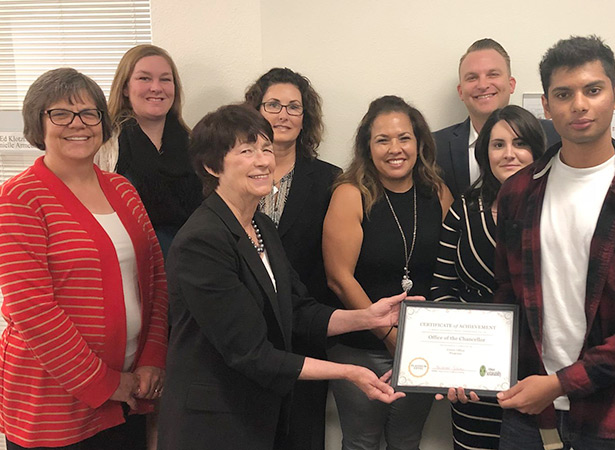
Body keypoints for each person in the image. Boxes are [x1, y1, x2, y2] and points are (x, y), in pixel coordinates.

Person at [157, 104, 411, 450]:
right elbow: (251, 353)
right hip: (213, 419)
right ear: (212, 166)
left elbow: (298, 310)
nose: (263, 161)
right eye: (246, 151)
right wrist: (348, 371)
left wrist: (366, 318)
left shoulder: (260, 225)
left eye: (265, 148)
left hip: (258, 410)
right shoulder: (203, 241)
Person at [493, 35, 615, 449]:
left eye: (592, 90)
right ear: (546, 106)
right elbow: (507, 298)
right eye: (563, 94)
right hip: (528, 413)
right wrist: (476, 369)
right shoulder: (517, 194)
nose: (578, 104)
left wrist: (561, 383)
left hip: (611, 416)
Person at [0, 68, 168, 449]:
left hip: (132, 391)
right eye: (60, 113)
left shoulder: (122, 189)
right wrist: (104, 382)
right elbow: (32, 309)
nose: (78, 124)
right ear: (37, 123)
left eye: (89, 113)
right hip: (54, 401)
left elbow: (156, 279)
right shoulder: (20, 198)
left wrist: (153, 357)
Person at [323, 95, 452, 450]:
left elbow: (450, 267)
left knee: (408, 440)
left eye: (404, 138)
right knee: (362, 441)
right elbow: (339, 277)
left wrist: (417, 341)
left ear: (418, 142)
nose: (395, 148)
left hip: (420, 346)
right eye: (383, 139)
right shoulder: (352, 194)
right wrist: (390, 335)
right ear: (368, 146)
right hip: (360, 348)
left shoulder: (437, 192)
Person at [430, 105, 546, 450]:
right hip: (473, 377)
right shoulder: (463, 209)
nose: (509, 154)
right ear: (485, 153)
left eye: (519, 143)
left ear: (537, 151)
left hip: (541, 376)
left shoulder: (558, 210)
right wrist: (454, 363)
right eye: (498, 145)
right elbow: (442, 287)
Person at [244, 67, 342, 450]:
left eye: (293, 107)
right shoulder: (234, 173)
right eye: (273, 105)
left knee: (303, 436)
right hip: (246, 331)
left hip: (305, 332)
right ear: (256, 110)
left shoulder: (331, 180)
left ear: (306, 119)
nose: (283, 115)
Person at [95, 44, 202, 254]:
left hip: (191, 260)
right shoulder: (104, 146)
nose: (156, 87)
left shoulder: (195, 143)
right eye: (144, 78)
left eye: (165, 79)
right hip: (130, 260)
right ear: (125, 87)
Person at [434, 38, 560, 199]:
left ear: (511, 84)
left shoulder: (556, 136)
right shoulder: (435, 147)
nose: (482, 84)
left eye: (492, 74)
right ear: (460, 91)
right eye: (472, 77)